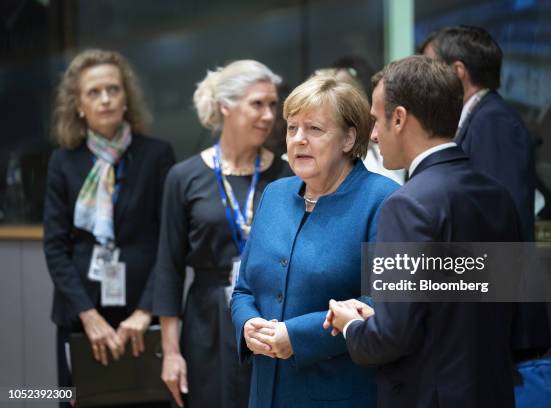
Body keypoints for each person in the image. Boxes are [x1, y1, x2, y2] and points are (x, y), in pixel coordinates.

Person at [324, 56, 522, 407]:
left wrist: (352, 325)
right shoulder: (498, 196)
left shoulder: (406, 204)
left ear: (398, 118)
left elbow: (391, 337)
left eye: (375, 119)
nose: (372, 134)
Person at [231, 74, 398, 407]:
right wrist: (247, 324)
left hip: (339, 391)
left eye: (314, 129)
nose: (299, 140)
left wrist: (298, 336)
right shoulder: (275, 194)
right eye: (292, 129)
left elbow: (384, 303)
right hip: (266, 393)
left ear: (349, 138)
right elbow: (244, 289)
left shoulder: (384, 200)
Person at [152, 60, 291, 408]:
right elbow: (168, 269)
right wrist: (170, 353)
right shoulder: (184, 177)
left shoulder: (286, 173)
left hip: (270, 312)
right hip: (206, 317)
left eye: (273, 105)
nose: (268, 115)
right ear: (225, 106)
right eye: (257, 104)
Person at [43, 49, 175, 405]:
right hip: (81, 315)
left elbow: (168, 243)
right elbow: (55, 246)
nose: (105, 99)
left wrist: (146, 311)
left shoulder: (157, 155)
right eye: (94, 92)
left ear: (126, 98)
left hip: (142, 316)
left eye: (113, 89)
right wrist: (88, 316)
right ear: (78, 105)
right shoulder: (63, 161)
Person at [420, 25, 551, 361]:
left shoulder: (493, 121)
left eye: (431, 67)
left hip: (500, 319)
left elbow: (496, 224)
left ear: (457, 72)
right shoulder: (477, 118)